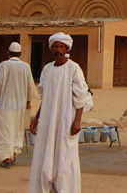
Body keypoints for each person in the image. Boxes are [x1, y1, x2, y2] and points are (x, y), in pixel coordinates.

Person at [29, 32, 89, 193]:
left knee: (64, 157)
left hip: (66, 120)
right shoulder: (47, 69)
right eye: (55, 46)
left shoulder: (73, 68)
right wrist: (36, 117)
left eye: (61, 46)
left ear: (66, 48)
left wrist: (78, 120)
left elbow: (81, 96)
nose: (58, 50)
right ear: (51, 49)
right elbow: (45, 96)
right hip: (48, 120)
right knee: (45, 154)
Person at [0, 42, 36, 169]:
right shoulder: (26, 66)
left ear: (8, 53)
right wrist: (28, 102)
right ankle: (13, 153)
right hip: (19, 106)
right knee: (16, 129)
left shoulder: (3, 65)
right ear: (20, 54)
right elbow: (30, 85)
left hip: (5, 105)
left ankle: (7, 158)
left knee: (4, 131)